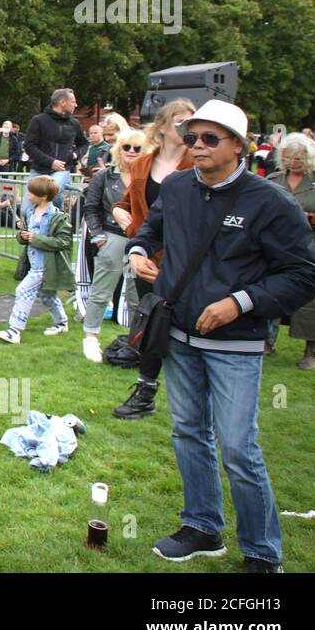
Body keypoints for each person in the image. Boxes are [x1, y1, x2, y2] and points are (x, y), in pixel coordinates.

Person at [127, 101, 315, 572]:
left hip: (235, 343)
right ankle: (202, 527)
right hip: (177, 334)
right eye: (192, 137)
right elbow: (150, 229)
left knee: (238, 447)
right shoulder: (175, 188)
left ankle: (261, 552)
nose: (197, 146)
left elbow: (304, 273)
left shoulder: (271, 202)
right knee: (188, 433)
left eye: (210, 139)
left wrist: (241, 301)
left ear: (239, 145)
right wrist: (137, 250)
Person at [109, 98, 196, 420]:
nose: (187, 129)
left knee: (187, 326)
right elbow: (127, 204)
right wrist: (122, 217)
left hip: (186, 261)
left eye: (192, 122)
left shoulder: (196, 164)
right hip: (148, 260)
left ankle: (193, 399)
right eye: (179, 122)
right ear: (161, 126)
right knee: (152, 325)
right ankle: (145, 392)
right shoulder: (143, 164)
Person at [266, 133, 315, 370]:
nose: (293, 162)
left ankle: (313, 351)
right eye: (289, 157)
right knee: (271, 292)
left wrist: (313, 218)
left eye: (299, 158)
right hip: (277, 248)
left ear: (310, 158)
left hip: (313, 248)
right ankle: (266, 342)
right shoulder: (273, 180)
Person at [79, 129, 144, 361]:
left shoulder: (149, 178)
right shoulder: (105, 176)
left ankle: (136, 342)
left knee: (139, 295)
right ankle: (90, 337)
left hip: (142, 240)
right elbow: (91, 207)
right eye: (127, 147)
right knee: (101, 291)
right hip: (112, 235)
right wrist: (98, 237)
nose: (132, 152)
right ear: (119, 149)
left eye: (138, 148)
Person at [0, 175, 73, 343]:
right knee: (47, 295)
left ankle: (14, 330)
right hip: (33, 262)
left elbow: (63, 242)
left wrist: (34, 238)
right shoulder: (30, 211)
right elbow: (26, 237)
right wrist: (23, 236)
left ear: (43, 196)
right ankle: (62, 323)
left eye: (31, 192)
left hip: (45, 265)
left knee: (23, 291)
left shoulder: (57, 217)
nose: (28, 195)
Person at [24, 89, 82, 191]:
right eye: (73, 102)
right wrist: (51, 162)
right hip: (38, 170)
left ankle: (55, 207)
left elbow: (84, 143)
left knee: (52, 190)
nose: (76, 105)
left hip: (62, 170)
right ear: (63, 102)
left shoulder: (74, 123)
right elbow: (29, 146)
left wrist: (75, 154)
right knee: (28, 204)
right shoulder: (38, 120)